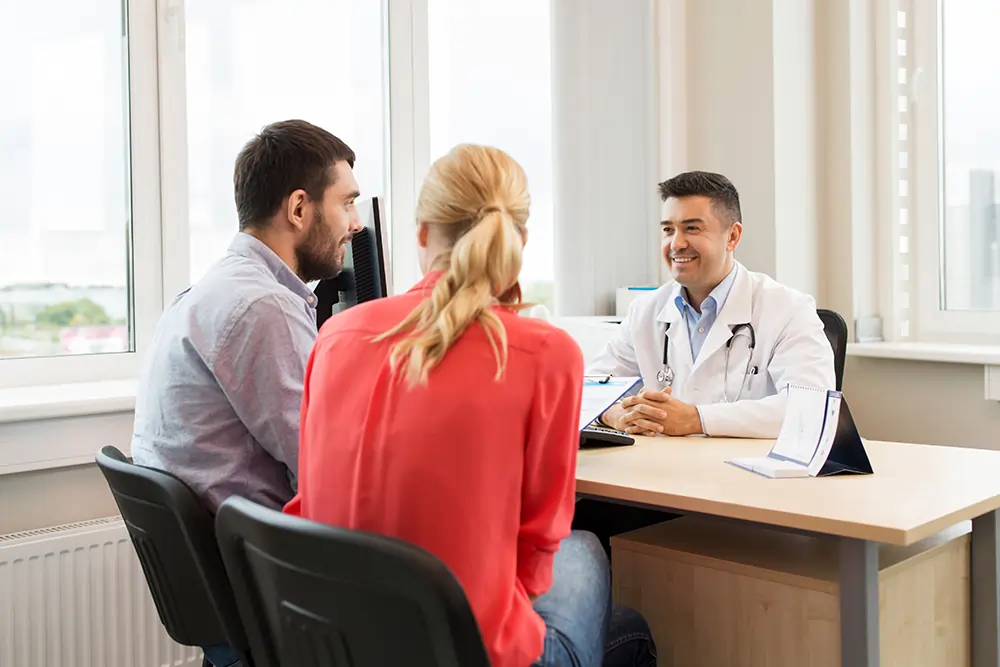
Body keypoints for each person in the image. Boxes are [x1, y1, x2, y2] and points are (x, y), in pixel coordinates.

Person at [285, 144, 656, 667]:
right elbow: (537, 543)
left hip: (338, 644)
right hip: (467, 653)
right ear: (519, 241)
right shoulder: (545, 353)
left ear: (421, 235)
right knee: (590, 558)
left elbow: (306, 505)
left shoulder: (335, 334)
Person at [131, 120, 362, 665]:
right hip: (276, 598)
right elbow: (326, 478)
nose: (355, 224)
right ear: (300, 208)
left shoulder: (209, 290)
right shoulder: (264, 308)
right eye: (347, 203)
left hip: (232, 592)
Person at [576, 170, 836, 551]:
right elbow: (588, 389)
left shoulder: (787, 309)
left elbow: (810, 408)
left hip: (752, 498)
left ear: (733, 236)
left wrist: (697, 419)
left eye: (692, 228)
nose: (676, 243)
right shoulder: (646, 311)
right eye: (668, 230)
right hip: (661, 490)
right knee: (580, 527)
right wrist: (616, 415)